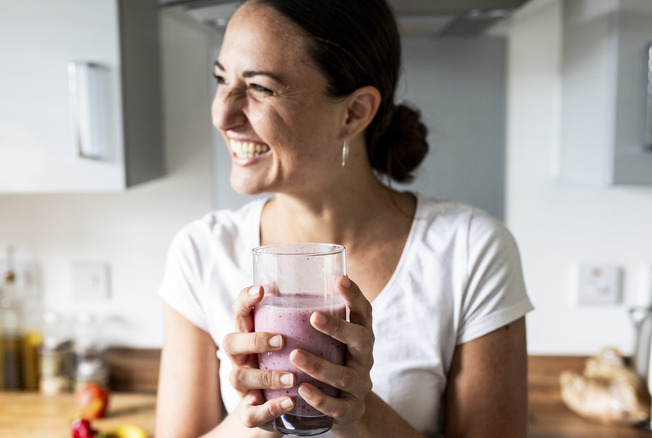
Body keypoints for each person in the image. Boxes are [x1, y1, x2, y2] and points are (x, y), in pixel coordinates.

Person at [155, 0, 533, 436]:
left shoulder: (470, 251)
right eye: (222, 79)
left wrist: (358, 407)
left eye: (260, 88)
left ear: (354, 112)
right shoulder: (201, 251)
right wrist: (253, 416)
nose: (223, 115)